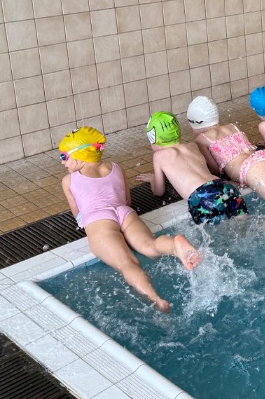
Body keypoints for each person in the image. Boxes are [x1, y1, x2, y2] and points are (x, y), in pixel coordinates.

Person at [59, 126, 201, 313]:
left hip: (98, 219)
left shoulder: (69, 181)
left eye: (64, 156)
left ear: (80, 155)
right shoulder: (115, 167)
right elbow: (127, 201)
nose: (63, 162)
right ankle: (175, 245)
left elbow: (78, 214)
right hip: (124, 213)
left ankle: (157, 300)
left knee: (127, 263)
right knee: (150, 246)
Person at [186, 95, 265, 207]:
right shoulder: (232, 126)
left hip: (254, 168)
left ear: (195, 122)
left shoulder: (201, 139)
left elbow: (215, 170)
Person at [138, 111, 247, 225]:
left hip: (203, 196)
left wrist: (152, 179)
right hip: (225, 187)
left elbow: (159, 191)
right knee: (244, 225)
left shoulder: (159, 156)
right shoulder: (192, 146)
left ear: (153, 139)